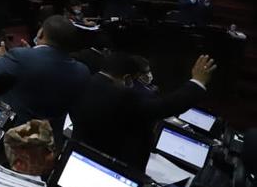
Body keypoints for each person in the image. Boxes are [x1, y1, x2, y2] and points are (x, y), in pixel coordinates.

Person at [70, 52, 215, 170]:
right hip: (118, 165)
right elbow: (165, 106)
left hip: (82, 154)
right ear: (127, 78)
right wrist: (198, 82)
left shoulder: (84, 80)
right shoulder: (123, 98)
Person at [0, 15, 90, 134]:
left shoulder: (21, 56)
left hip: (11, 131)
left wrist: (3, 58)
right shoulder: (83, 72)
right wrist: (31, 53)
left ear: (41, 33)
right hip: (47, 137)